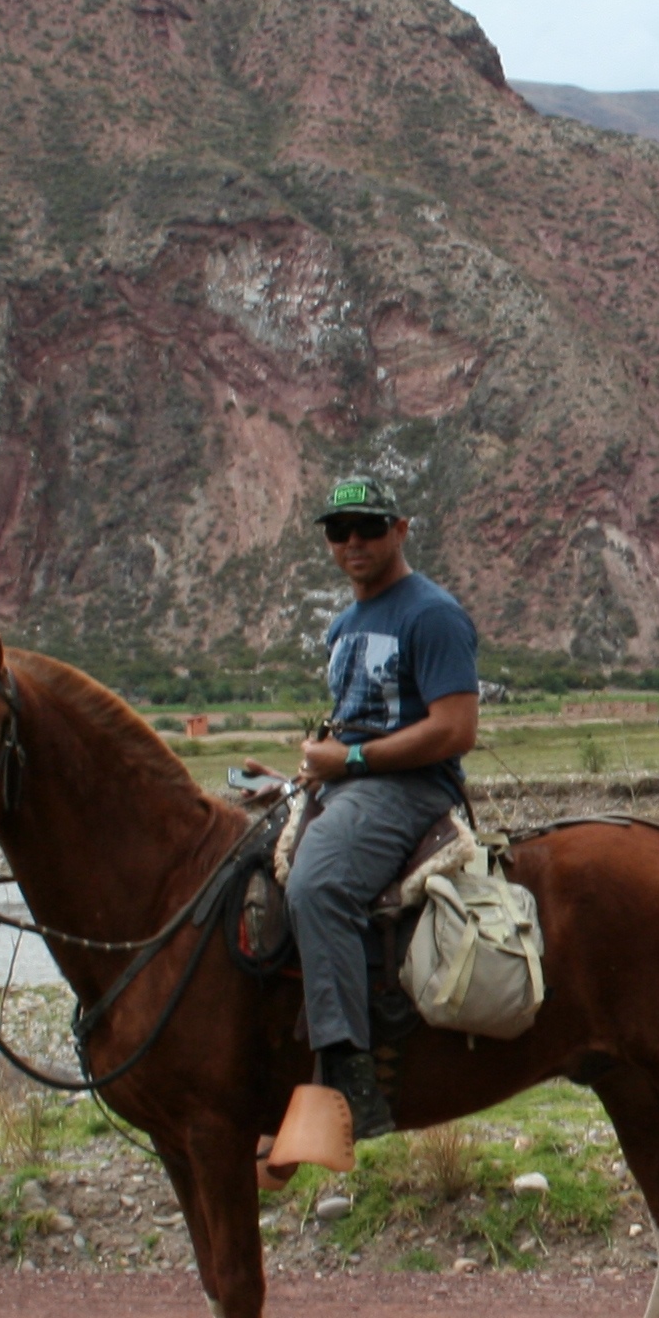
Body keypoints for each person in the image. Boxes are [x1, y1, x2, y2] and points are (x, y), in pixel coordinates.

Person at [271, 473, 480, 1163]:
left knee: (315, 884)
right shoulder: (345, 622)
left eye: (367, 527)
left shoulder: (431, 615)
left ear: (401, 529)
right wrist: (321, 762)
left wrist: (350, 762)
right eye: (338, 530)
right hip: (351, 780)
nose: (352, 541)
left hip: (409, 788)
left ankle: (350, 1077)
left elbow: (455, 728)